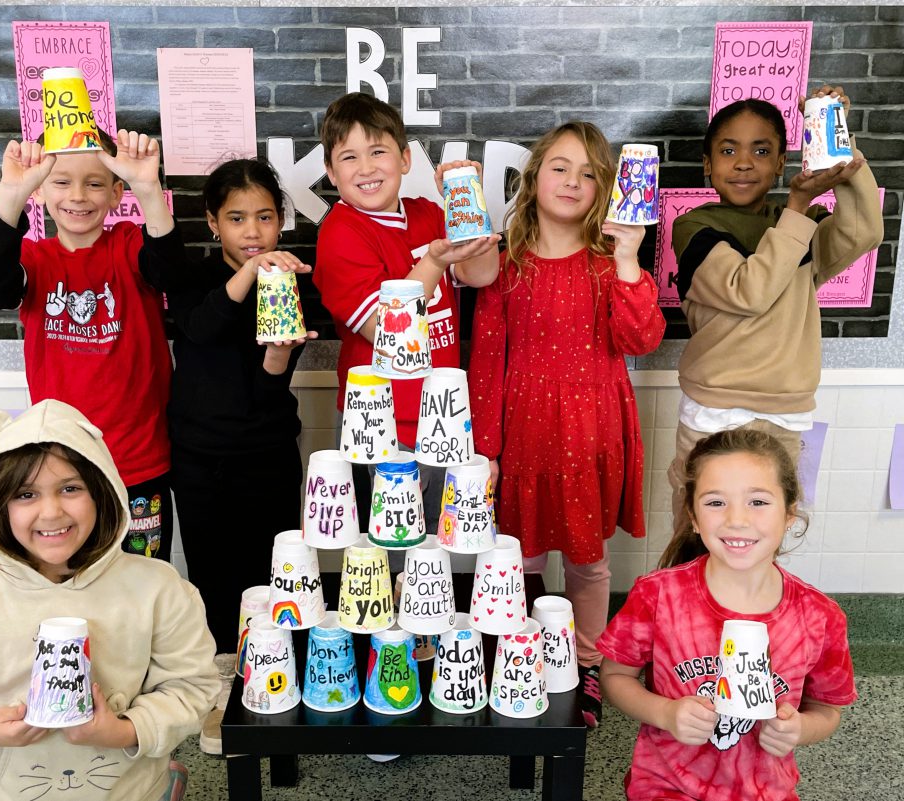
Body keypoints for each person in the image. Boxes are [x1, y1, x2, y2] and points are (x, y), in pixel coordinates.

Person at [0, 399, 220, 801]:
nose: (51, 512)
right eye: (25, 494)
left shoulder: (160, 589)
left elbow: (192, 689)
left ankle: (169, 781)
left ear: (102, 493)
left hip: (134, 792)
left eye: (70, 488)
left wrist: (123, 731)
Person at [469, 121, 665, 727]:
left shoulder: (611, 265)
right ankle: (519, 652)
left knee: (587, 559)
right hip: (523, 428)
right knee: (519, 557)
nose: (572, 181)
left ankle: (585, 666)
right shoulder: (505, 263)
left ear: (605, 187)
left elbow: (642, 337)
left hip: (590, 428)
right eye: (559, 167)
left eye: (588, 172)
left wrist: (631, 257)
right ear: (533, 179)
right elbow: (486, 358)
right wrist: (485, 449)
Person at [667, 87, 883, 537]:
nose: (744, 162)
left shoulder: (797, 226)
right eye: (728, 151)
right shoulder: (695, 226)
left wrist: (836, 144)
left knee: (762, 542)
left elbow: (864, 230)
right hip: (715, 410)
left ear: (781, 162)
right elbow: (749, 292)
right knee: (698, 538)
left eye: (761, 150)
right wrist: (799, 208)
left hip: (785, 415)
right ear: (708, 165)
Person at [598, 429, 856, 801]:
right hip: (666, 786)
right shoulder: (658, 595)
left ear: (789, 514)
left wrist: (799, 728)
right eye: (716, 503)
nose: (737, 519)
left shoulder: (819, 617)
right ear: (694, 517)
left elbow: (827, 710)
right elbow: (615, 677)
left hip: (765, 790)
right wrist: (665, 713)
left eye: (758, 502)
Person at [0, 129, 180, 561]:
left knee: (141, 586)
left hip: (139, 464)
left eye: (96, 182)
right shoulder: (34, 259)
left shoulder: (128, 245)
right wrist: (11, 194)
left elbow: (170, 272)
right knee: (69, 587)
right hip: (60, 470)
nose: (78, 196)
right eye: (62, 181)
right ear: (42, 187)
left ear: (116, 191)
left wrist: (148, 188)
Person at [165, 158, 314, 754]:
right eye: (236, 219)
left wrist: (279, 353)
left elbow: (270, 386)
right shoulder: (195, 277)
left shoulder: (289, 283)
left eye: (265, 217)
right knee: (212, 581)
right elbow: (199, 329)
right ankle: (222, 694)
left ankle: (275, 687)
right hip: (199, 457)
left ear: (281, 220)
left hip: (268, 453)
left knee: (272, 576)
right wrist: (251, 272)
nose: (252, 231)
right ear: (212, 222)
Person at [313, 92, 500, 532]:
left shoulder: (428, 214)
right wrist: (434, 262)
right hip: (380, 425)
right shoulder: (339, 234)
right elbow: (386, 333)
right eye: (349, 157)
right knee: (389, 546)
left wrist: (467, 204)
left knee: (436, 543)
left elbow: (483, 273)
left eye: (378, 152)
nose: (366, 168)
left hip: (442, 413)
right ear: (330, 171)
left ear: (403, 158)